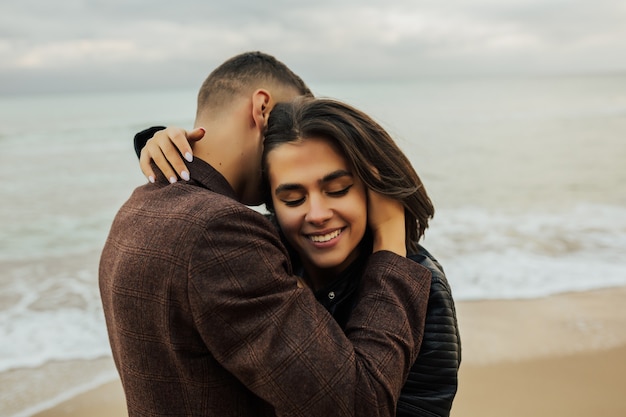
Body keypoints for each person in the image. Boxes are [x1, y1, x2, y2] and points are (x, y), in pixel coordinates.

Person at [99, 51, 432, 417]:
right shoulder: (219, 230)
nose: (293, 144)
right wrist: (388, 237)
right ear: (262, 109)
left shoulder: (137, 209)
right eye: (284, 125)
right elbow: (359, 405)